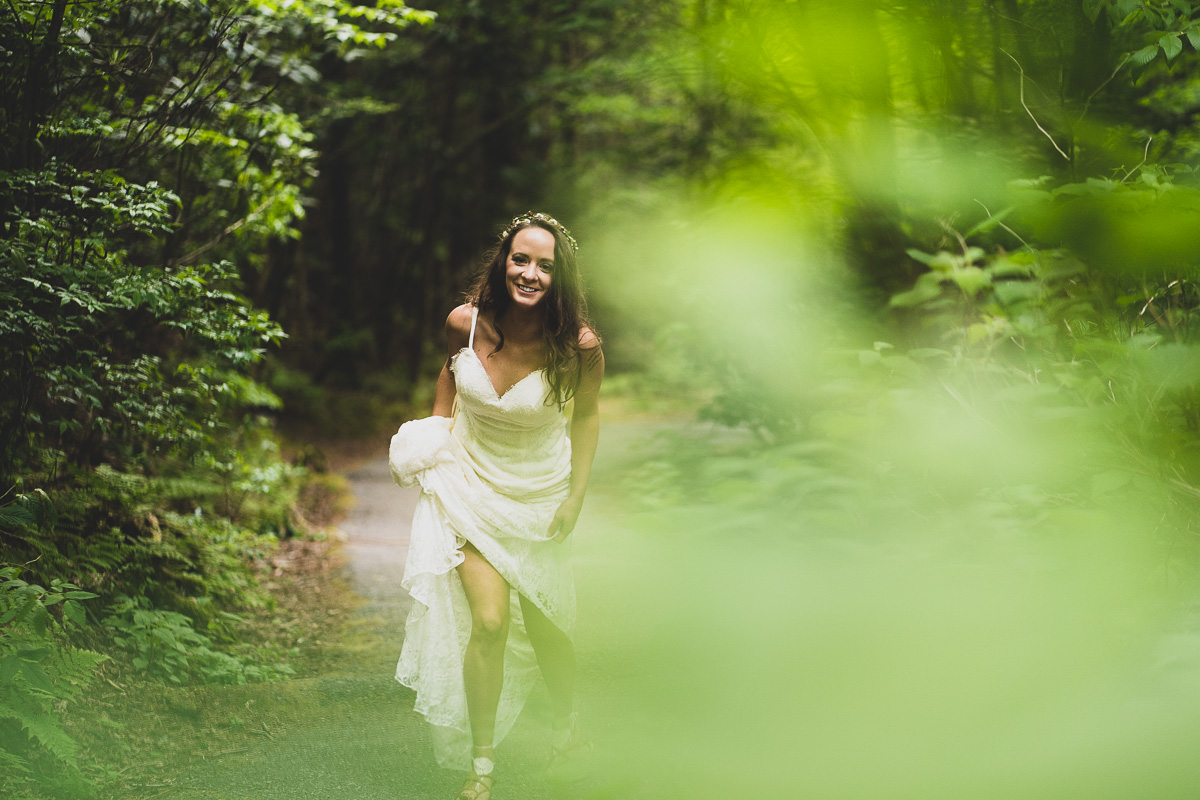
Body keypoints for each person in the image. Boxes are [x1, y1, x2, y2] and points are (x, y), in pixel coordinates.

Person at [390, 212, 603, 800]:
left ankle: (568, 729)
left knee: (547, 624)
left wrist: (575, 496)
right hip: (466, 486)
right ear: (503, 261)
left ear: (561, 278)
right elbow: (451, 375)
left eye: (545, 265)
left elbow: (585, 417)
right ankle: (480, 768)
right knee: (488, 622)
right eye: (520, 259)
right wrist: (435, 433)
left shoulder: (579, 348)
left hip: (537, 497)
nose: (530, 273)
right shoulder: (465, 322)